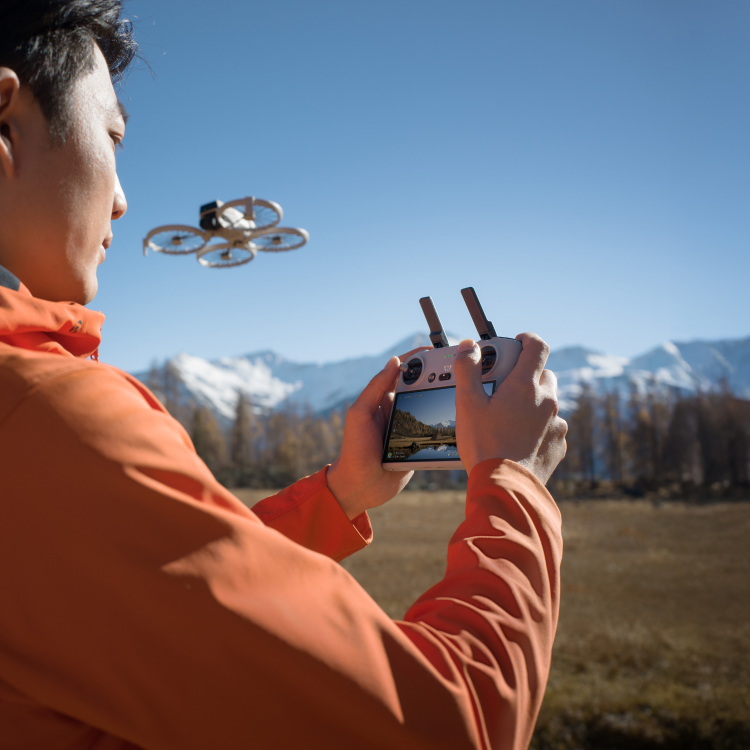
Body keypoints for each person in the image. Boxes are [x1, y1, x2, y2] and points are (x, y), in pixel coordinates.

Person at [0, 1, 568, 748]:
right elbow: (449, 724)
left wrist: (339, 498)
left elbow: (162, 583)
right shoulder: (46, 413)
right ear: (6, 119)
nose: (123, 199)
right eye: (112, 137)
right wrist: (515, 484)